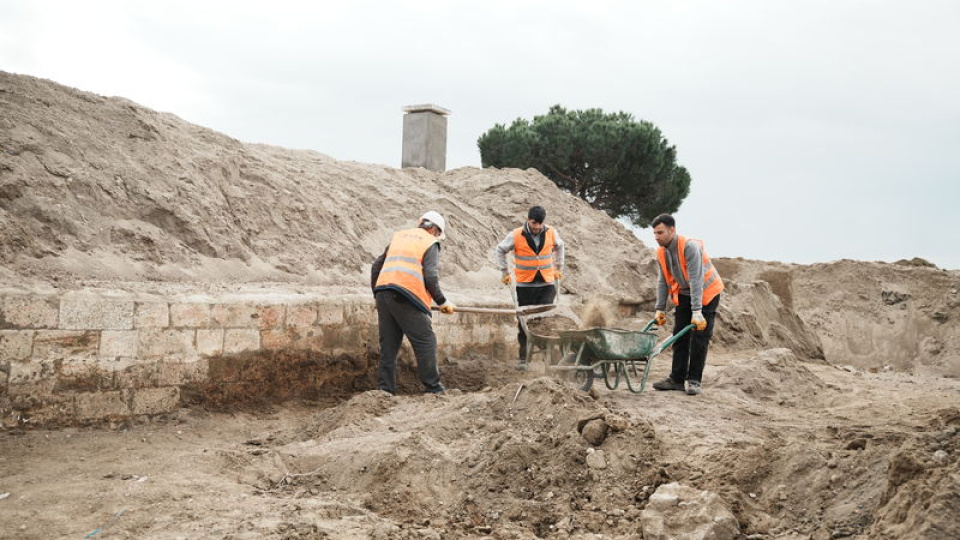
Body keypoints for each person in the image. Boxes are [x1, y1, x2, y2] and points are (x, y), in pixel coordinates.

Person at [371, 211, 455, 395]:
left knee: (389, 346)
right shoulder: (430, 242)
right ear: (434, 230)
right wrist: (442, 301)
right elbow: (431, 276)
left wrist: (377, 295)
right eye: (438, 234)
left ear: (420, 223)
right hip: (405, 295)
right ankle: (434, 388)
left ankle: (385, 390)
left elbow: (376, 266)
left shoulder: (399, 237)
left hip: (383, 292)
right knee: (426, 340)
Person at [650, 213, 724, 396]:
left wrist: (697, 311)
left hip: (706, 294)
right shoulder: (661, 252)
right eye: (655, 234)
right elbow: (663, 282)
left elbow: (697, 279)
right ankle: (676, 379)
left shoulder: (689, 247)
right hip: (684, 294)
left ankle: (694, 380)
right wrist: (659, 308)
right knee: (679, 335)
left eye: (660, 233)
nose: (657, 237)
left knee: (699, 336)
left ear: (672, 230)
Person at [495, 205, 566, 369]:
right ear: (528, 220)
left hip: (547, 283)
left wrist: (559, 268)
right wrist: (504, 272)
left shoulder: (551, 232)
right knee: (524, 322)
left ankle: (550, 359)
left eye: (540, 224)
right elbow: (500, 250)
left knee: (548, 321)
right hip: (525, 285)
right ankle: (523, 359)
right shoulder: (516, 234)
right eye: (534, 223)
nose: (537, 227)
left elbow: (561, 246)